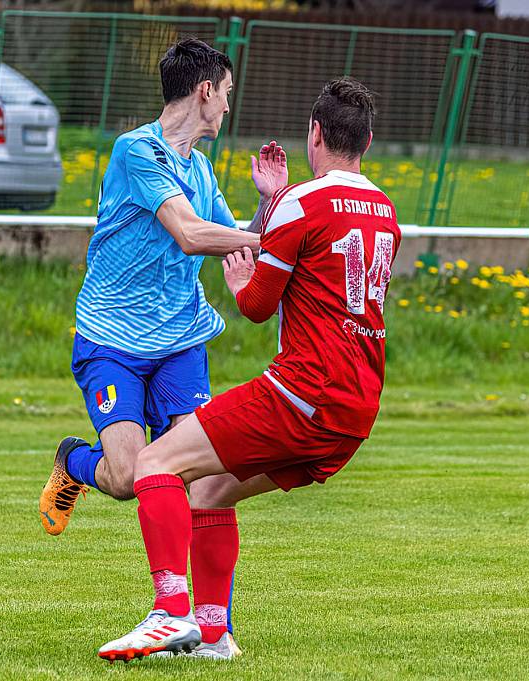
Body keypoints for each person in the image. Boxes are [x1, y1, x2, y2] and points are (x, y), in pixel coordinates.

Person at [97, 76, 401, 662]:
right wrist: (269, 204)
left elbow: (258, 306)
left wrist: (240, 278)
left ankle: (169, 614)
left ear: (315, 133)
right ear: (368, 140)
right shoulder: (385, 210)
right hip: (358, 407)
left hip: (303, 391)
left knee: (154, 464)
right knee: (210, 492)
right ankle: (213, 635)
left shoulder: (302, 202)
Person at [38, 38, 287, 658]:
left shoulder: (201, 171)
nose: (229, 108)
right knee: (126, 479)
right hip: (113, 340)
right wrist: (258, 238)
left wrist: (267, 202)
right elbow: (189, 233)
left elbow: (239, 240)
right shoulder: (137, 150)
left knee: (203, 478)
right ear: (205, 91)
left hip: (181, 344)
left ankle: (210, 627)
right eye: (227, 94)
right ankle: (75, 462)